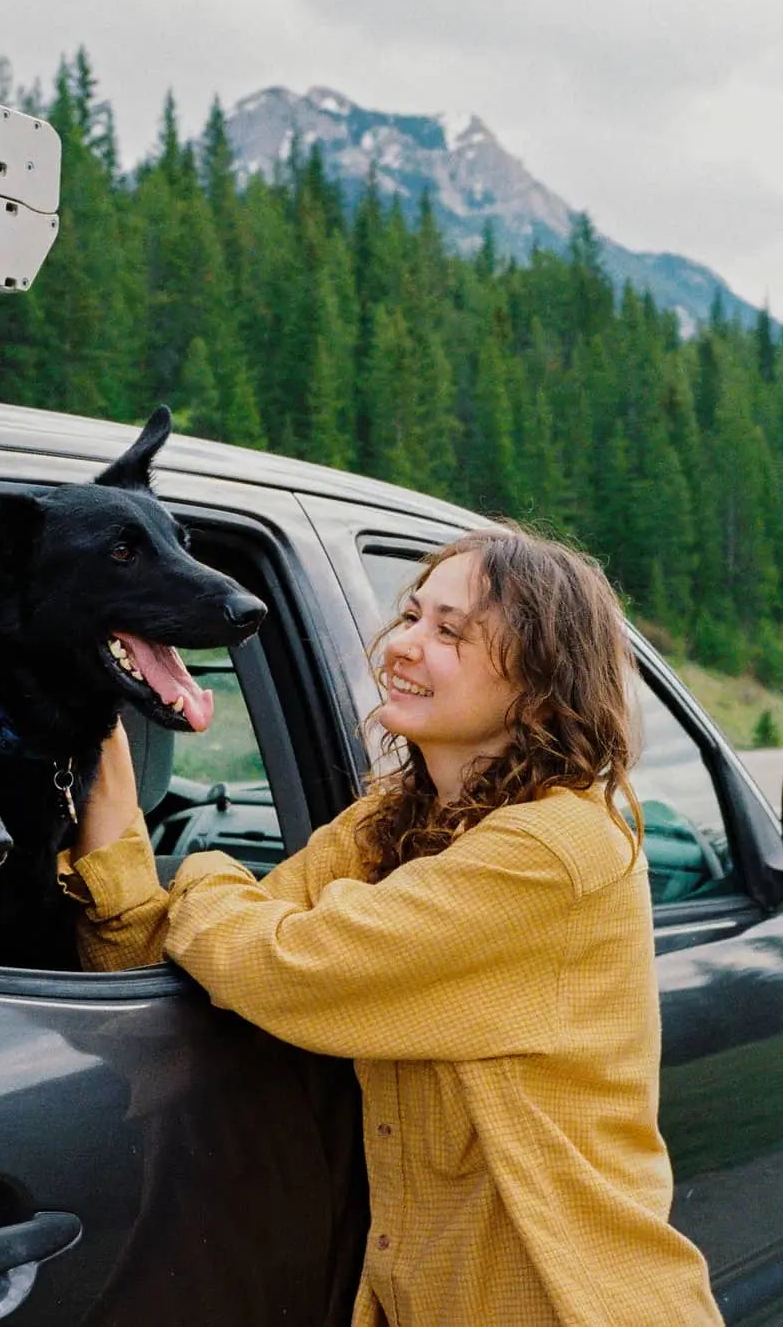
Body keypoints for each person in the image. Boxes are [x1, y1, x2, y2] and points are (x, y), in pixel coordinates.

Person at [59, 525, 722, 1327]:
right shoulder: (391, 822)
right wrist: (114, 815)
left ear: (542, 685)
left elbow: (289, 964)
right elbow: (186, 953)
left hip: (564, 1303)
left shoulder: (555, 849)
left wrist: (198, 874)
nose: (403, 644)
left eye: (450, 631)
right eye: (411, 615)